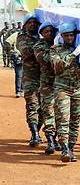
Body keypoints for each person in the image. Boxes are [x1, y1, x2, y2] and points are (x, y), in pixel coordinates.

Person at [50, 23, 80, 162]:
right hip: (62, 88)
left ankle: (71, 148)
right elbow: (58, 67)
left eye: (72, 35)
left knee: (75, 120)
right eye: (67, 35)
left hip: (78, 88)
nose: (69, 37)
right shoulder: (55, 49)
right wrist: (73, 55)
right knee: (63, 119)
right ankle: (64, 149)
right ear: (61, 36)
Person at [16, 14, 43, 147]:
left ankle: (36, 132)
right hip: (30, 77)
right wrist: (42, 44)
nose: (32, 24)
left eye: (35, 22)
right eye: (30, 22)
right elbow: (26, 51)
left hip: (44, 77)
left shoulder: (42, 35)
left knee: (44, 108)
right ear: (25, 24)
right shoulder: (22, 37)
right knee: (32, 105)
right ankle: (35, 134)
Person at [33, 22, 60, 155]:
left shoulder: (61, 44)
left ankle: (56, 140)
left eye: (51, 31)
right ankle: (50, 141)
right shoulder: (39, 46)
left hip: (61, 84)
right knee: (49, 112)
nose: (49, 33)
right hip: (47, 85)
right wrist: (56, 47)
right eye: (46, 32)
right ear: (42, 34)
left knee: (60, 113)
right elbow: (46, 59)